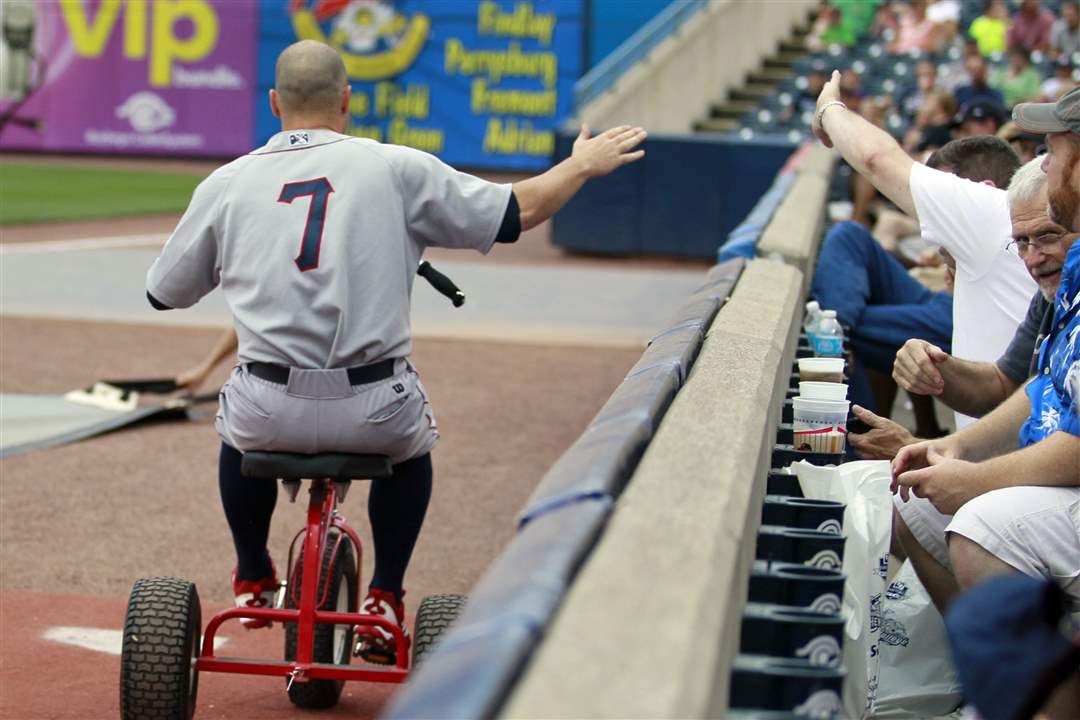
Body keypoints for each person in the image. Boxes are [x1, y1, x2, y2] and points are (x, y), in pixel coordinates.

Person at [145, 40, 647, 662]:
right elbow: (520, 212)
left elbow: (163, 294)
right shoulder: (396, 167)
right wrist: (581, 164)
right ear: (347, 100)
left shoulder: (227, 181)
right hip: (373, 405)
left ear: (275, 103)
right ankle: (384, 595)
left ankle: (251, 571)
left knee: (235, 425)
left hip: (266, 405)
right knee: (412, 449)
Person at [813, 71, 1036, 431]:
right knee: (849, 236)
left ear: (982, 188)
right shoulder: (1009, 228)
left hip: (986, 429)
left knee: (836, 331)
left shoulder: (995, 209)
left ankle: (834, 352)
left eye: (1054, 152)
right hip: (953, 317)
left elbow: (875, 159)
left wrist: (828, 109)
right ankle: (836, 338)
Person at [850, 159, 1072, 457]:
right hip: (1019, 468)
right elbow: (1004, 387)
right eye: (1021, 242)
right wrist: (935, 368)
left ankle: (830, 333)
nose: (1031, 258)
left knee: (848, 239)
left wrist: (925, 450)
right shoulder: (1052, 295)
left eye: (1048, 235)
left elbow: (1065, 453)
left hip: (1044, 482)